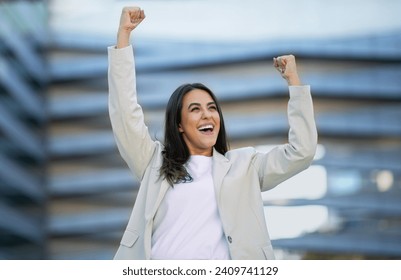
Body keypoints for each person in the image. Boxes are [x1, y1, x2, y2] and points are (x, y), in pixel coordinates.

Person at [108, 6, 317, 260]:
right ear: (179, 125)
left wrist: (294, 82)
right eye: (195, 109)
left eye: (212, 108)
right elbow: (125, 115)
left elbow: (302, 152)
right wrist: (123, 36)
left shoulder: (245, 166)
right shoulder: (153, 163)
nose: (207, 115)